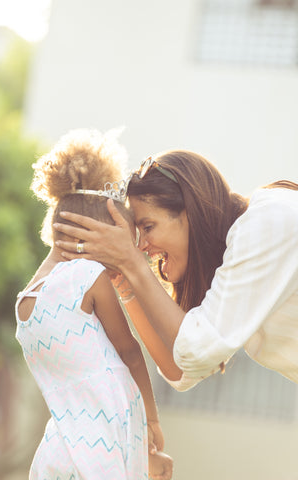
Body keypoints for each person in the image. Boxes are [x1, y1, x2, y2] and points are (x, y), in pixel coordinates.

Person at [53, 150, 298, 392]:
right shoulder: (244, 245)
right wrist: (126, 281)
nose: (141, 246)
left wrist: (131, 261)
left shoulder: (266, 222)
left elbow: (196, 351)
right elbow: (181, 371)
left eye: (148, 227)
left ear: (190, 212)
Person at [15, 129, 173, 480]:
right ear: (92, 235)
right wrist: (151, 418)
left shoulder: (25, 303)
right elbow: (129, 351)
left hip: (62, 445)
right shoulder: (86, 276)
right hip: (103, 444)